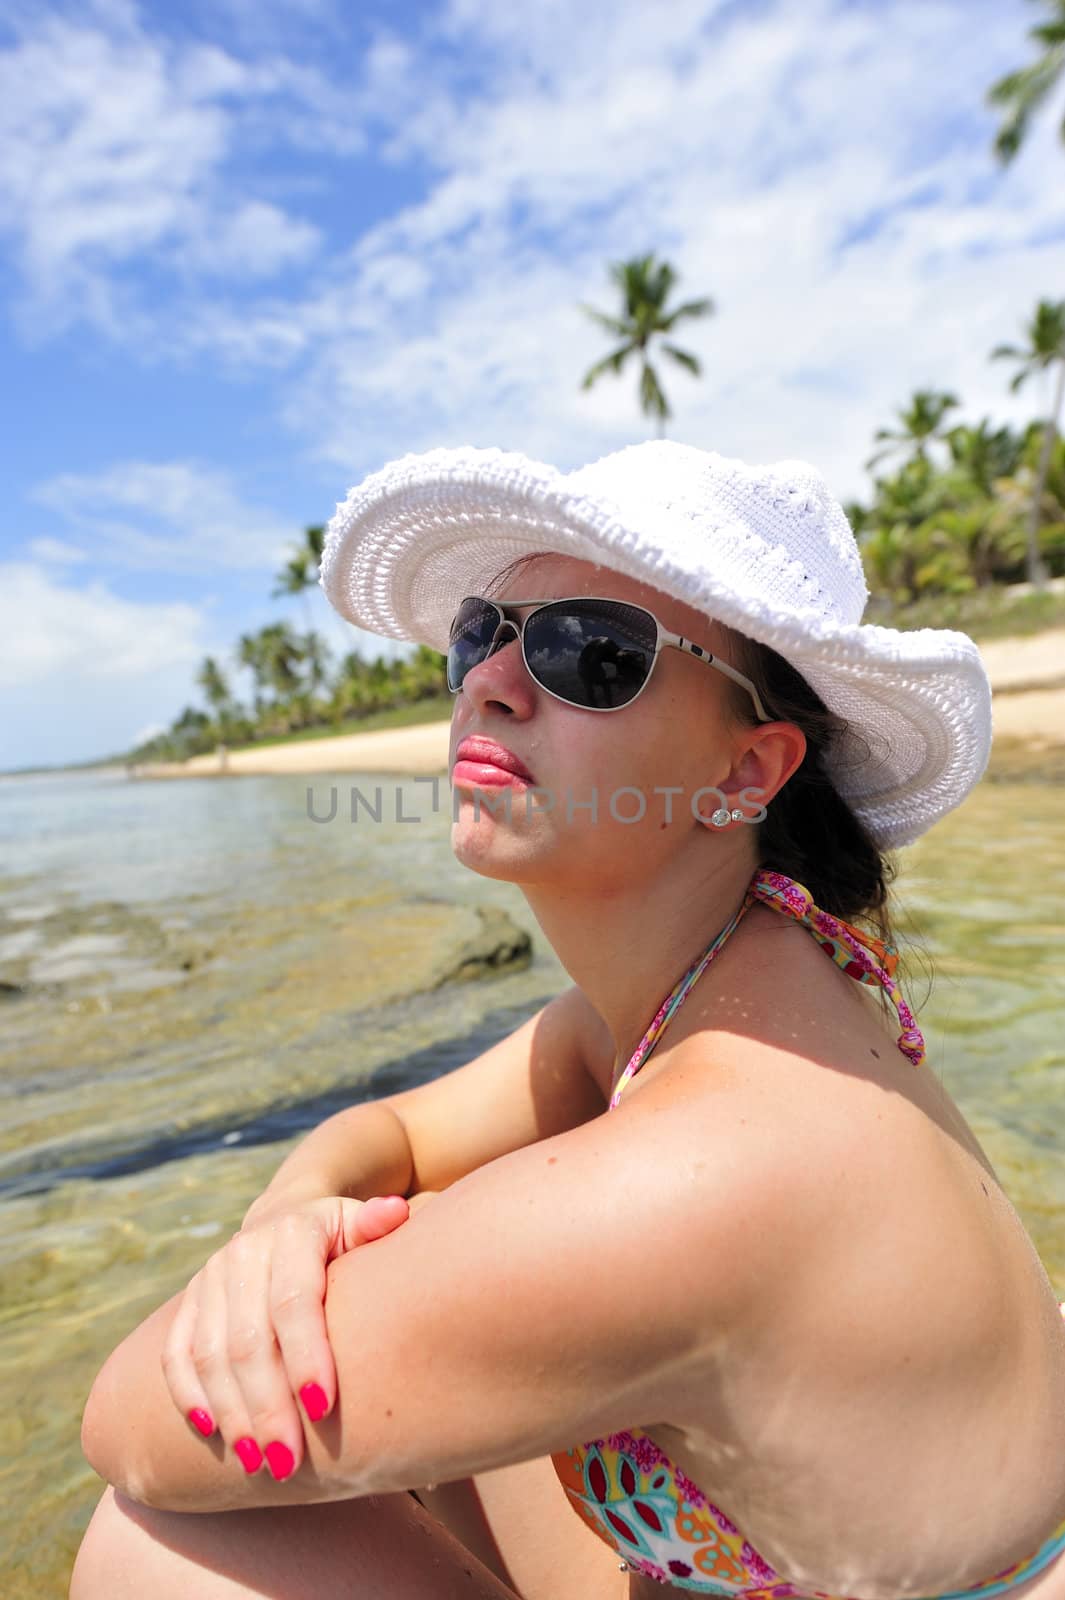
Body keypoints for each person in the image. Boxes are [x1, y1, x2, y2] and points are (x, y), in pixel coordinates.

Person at [72, 441, 1065, 1600]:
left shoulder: (706, 1163)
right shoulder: (723, 986)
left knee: (165, 1539)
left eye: (589, 653)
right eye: (483, 632)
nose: (491, 680)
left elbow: (129, 1413)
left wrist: (295, 1279)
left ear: (746, 772)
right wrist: (285, 1222)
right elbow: (393, 1124)